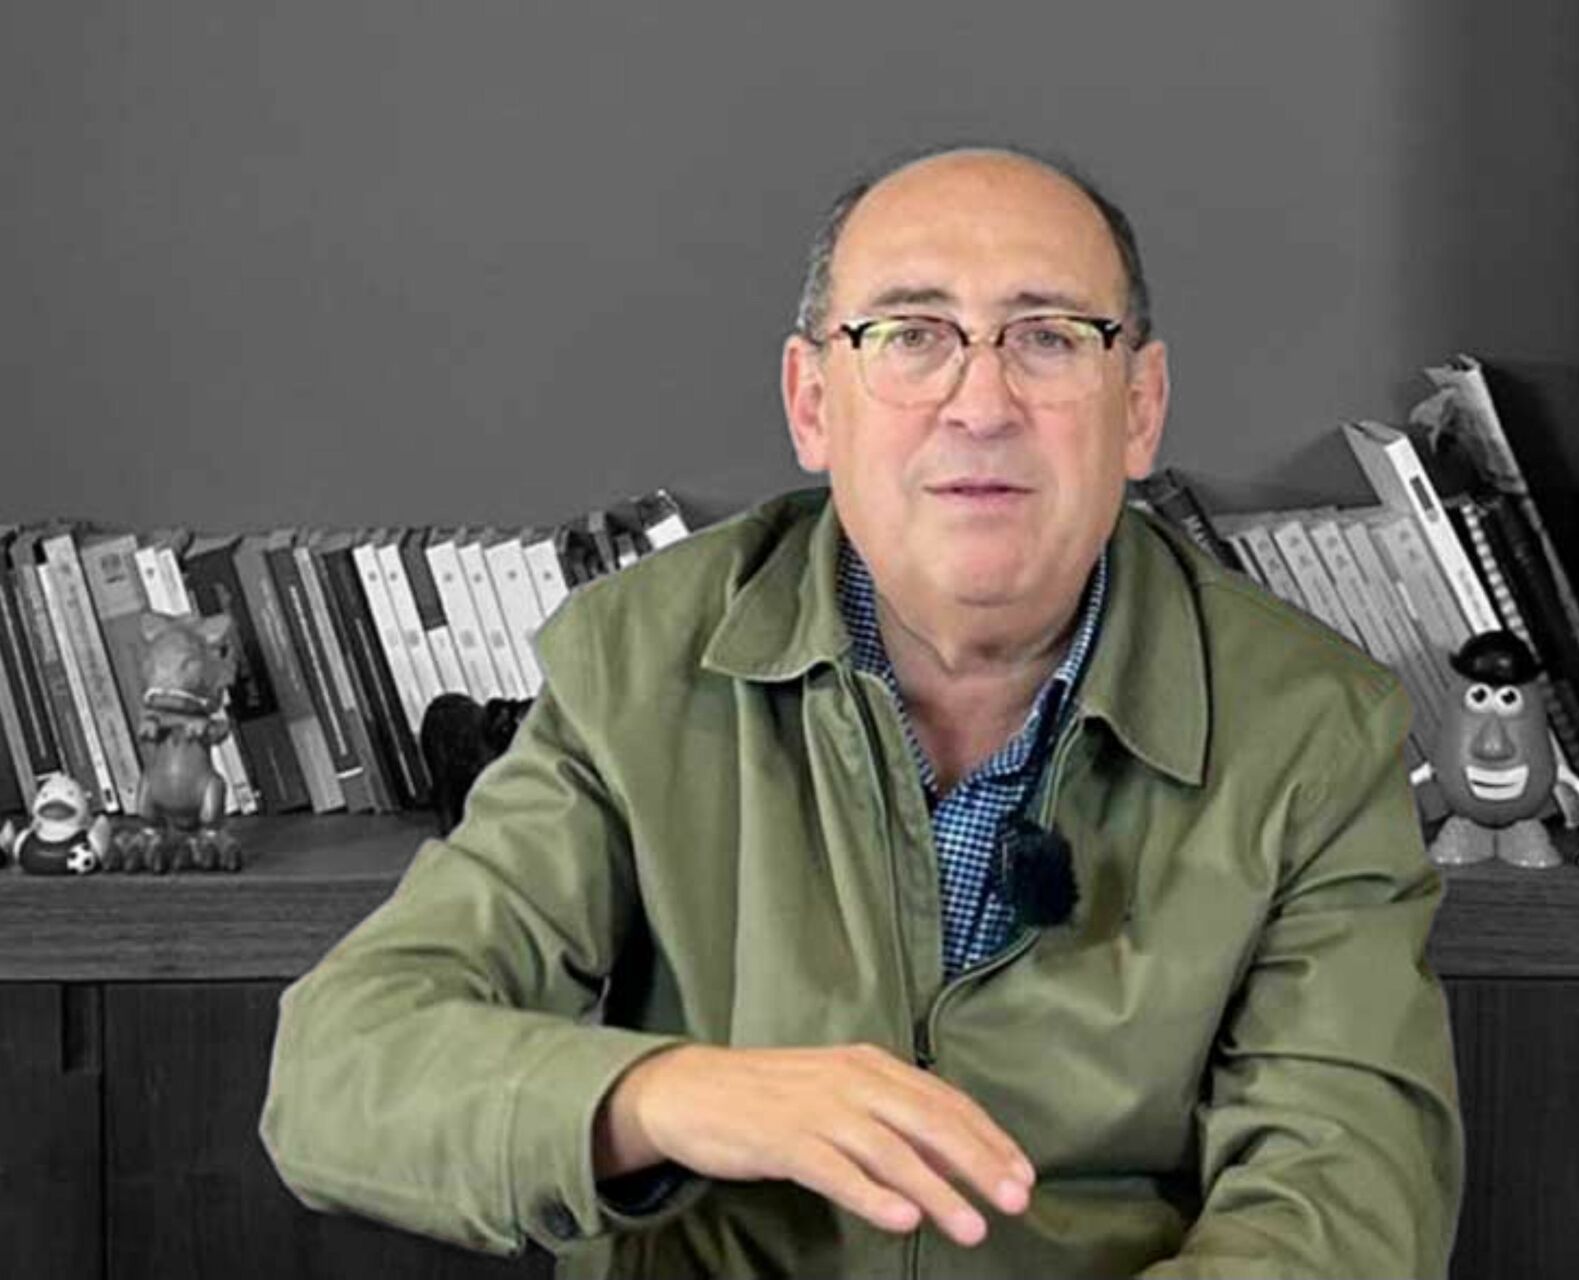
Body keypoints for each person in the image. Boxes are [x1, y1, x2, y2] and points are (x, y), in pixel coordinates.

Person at [260, 142, 1464, 1279]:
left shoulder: (1312, 731)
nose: (980, 402)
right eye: (910, 334)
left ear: (1139, 404)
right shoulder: (636, 665)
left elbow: (1340, 1203)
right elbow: (339, 1074)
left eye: (1049, 337)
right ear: (812, 400)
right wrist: (669, 1094)